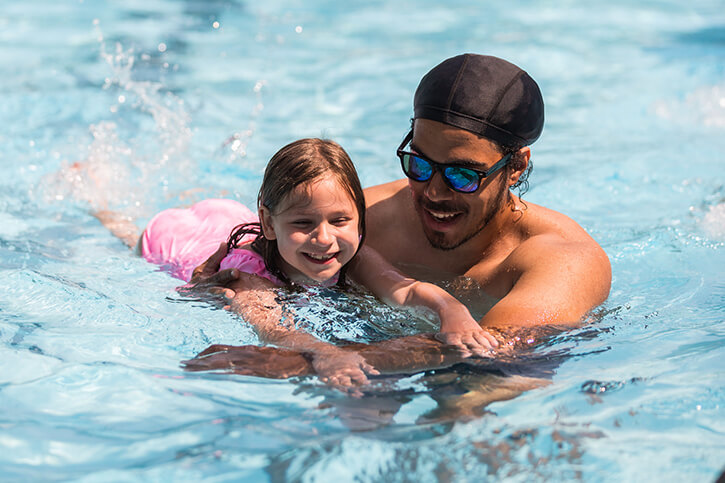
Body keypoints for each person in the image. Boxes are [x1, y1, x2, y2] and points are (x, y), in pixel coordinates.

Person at [186, 54, 612, 378]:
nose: (433, 192)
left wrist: (296, 363)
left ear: (515, 167)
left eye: (463, 175)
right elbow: (274, 238)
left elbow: (496, 350)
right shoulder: (362, 220)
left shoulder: (562, 260)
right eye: (420, 165)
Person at [98, 138, 498, 391]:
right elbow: (273, 326)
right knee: (125, 233)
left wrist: (452, 310)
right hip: (175, 241)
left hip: (232, 216)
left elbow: (404, 288)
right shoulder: (247, 276)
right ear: (270, 225)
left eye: (340, 221)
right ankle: (100, 206)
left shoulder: (353, 254)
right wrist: (326, 352)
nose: (324, 239)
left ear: (360, 218)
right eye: (304, 224)